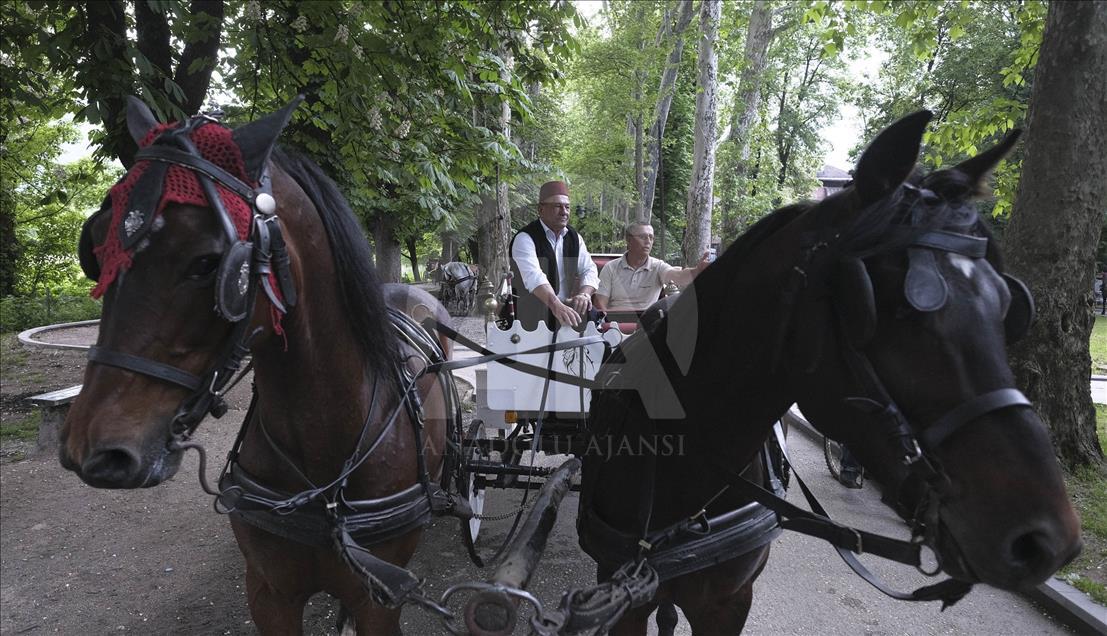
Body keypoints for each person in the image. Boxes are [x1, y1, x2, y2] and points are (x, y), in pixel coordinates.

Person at [508, 180, 600, 328]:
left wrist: (584, 295)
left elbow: (589, 269)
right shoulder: (525, 238)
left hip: (565, 306)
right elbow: (534, 277)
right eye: (557, 206)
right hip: (531, 311)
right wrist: (556, 305)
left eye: (567, 207)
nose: (564, 212)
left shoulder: (574, 237)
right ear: (541, 209)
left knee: (595, 321)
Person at [593, 222, 711, 312]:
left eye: (651, 237)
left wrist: (697, 270)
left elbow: (678, 277)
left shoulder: (658, 266)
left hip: (647, 324)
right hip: (615, 323)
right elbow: (600, 304)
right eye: (643, 237)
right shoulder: (610, 268)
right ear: (629, 240)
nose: (648, 241)